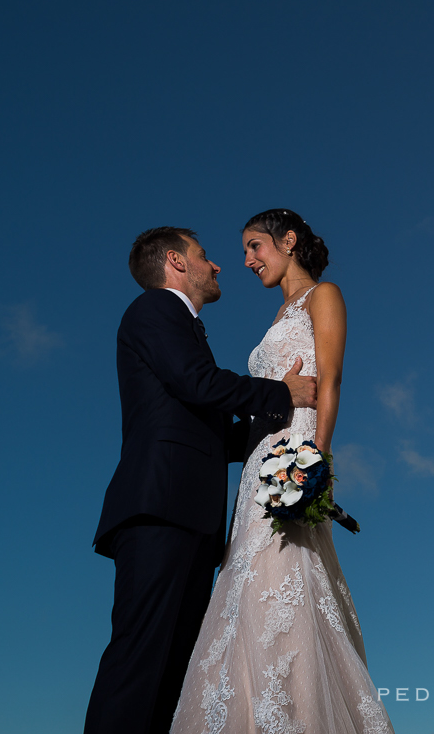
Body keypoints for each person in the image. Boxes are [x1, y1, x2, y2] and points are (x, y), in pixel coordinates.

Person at [86, 227, 318, 734]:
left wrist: (288, 439)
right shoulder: (155, 309)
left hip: (192, 519)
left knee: (175, 672)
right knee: (140, 658)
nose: (217, 267)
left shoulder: (186, 329)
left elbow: (211, 431)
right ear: (175, 261)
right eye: (205, 256)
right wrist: (280, 395)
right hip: (158, 510)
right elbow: (198, 382)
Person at [170, 209, 394, 734]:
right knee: (249, 586)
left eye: (255, 247)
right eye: (245, 251)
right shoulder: (277, 316)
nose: (247, 261)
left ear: (288, 241)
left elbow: (331, 381)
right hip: (256, 468)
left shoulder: (325, 296)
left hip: (295, 458)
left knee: (287, 574)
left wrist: (315, 462)